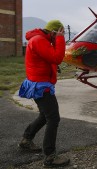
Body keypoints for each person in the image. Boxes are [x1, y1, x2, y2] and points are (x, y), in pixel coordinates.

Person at [18, 20, 70, 168]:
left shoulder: (40, 39)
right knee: (53, 118)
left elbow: (49, 58)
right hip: (41, 86)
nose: (62, 36)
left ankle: (26, 139)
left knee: (44, 115)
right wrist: (60, 39)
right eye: (60, 33)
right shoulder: (39, 40)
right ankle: (50, 157)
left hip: (40, 83)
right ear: (53, 32)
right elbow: (57, 58)